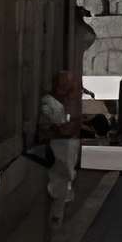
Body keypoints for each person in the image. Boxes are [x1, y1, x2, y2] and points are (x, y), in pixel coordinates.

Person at [36, 71, 84, 225]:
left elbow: (71, 124)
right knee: (60, 179)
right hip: (57, 145)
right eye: (67, 83)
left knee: (66, 177)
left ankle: (58, 215)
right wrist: (64, 127)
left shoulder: (67, 102)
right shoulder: (49, 102)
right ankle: (56, 217)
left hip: (67, 144)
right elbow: (54, 126)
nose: (71, 87)